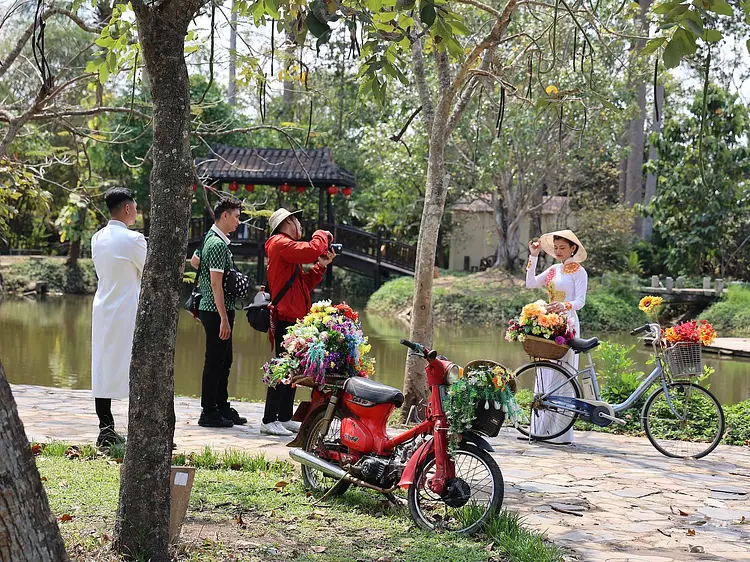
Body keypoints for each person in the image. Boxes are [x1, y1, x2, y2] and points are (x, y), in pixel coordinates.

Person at [261, 208, 335, 436]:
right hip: (285, 316)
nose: (301, 226)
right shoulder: (279, 243)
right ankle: (268, 419)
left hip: (294, 317)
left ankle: (283, 416)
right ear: (287, 222)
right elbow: (312, 248)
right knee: (282, 367)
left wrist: (320, 266)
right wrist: (322, 233)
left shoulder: (286, 248)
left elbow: (302, 285)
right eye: (297, 221)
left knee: (293, 368)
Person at [91, 187, 147, 447]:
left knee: (102, 367)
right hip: (127, 310)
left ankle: (106, 428)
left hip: (103, 307)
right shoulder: (134, 240)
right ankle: (142, 428)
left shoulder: (97, 237)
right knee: (136, 367)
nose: (137, 211)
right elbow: (148, 271)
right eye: (135, 206)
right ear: (127, 208)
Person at [526, 229, 588, 445]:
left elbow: (581, 301)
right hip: (548, 323)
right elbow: (530, 283)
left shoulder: (579, 272)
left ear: (573, 248)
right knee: (545, 370)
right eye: (557, 248)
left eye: (564, 248)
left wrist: (565, 305)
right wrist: (533, 256)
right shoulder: (552, 270)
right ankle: (540, 429)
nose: (559, 251)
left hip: (567, 323)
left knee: (563, 373)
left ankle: (559, 433)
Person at [191, 197, 248, 428]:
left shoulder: (211, 238)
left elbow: (195, 261)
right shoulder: (216, 244)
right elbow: (216, 285)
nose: (238, 221)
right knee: (215, 361)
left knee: (225, 360)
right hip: (215, 310)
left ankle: (222, 406)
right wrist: (224, 318)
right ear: (224, 215)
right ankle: (208, 411)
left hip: (215, 308)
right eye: (236, 216)